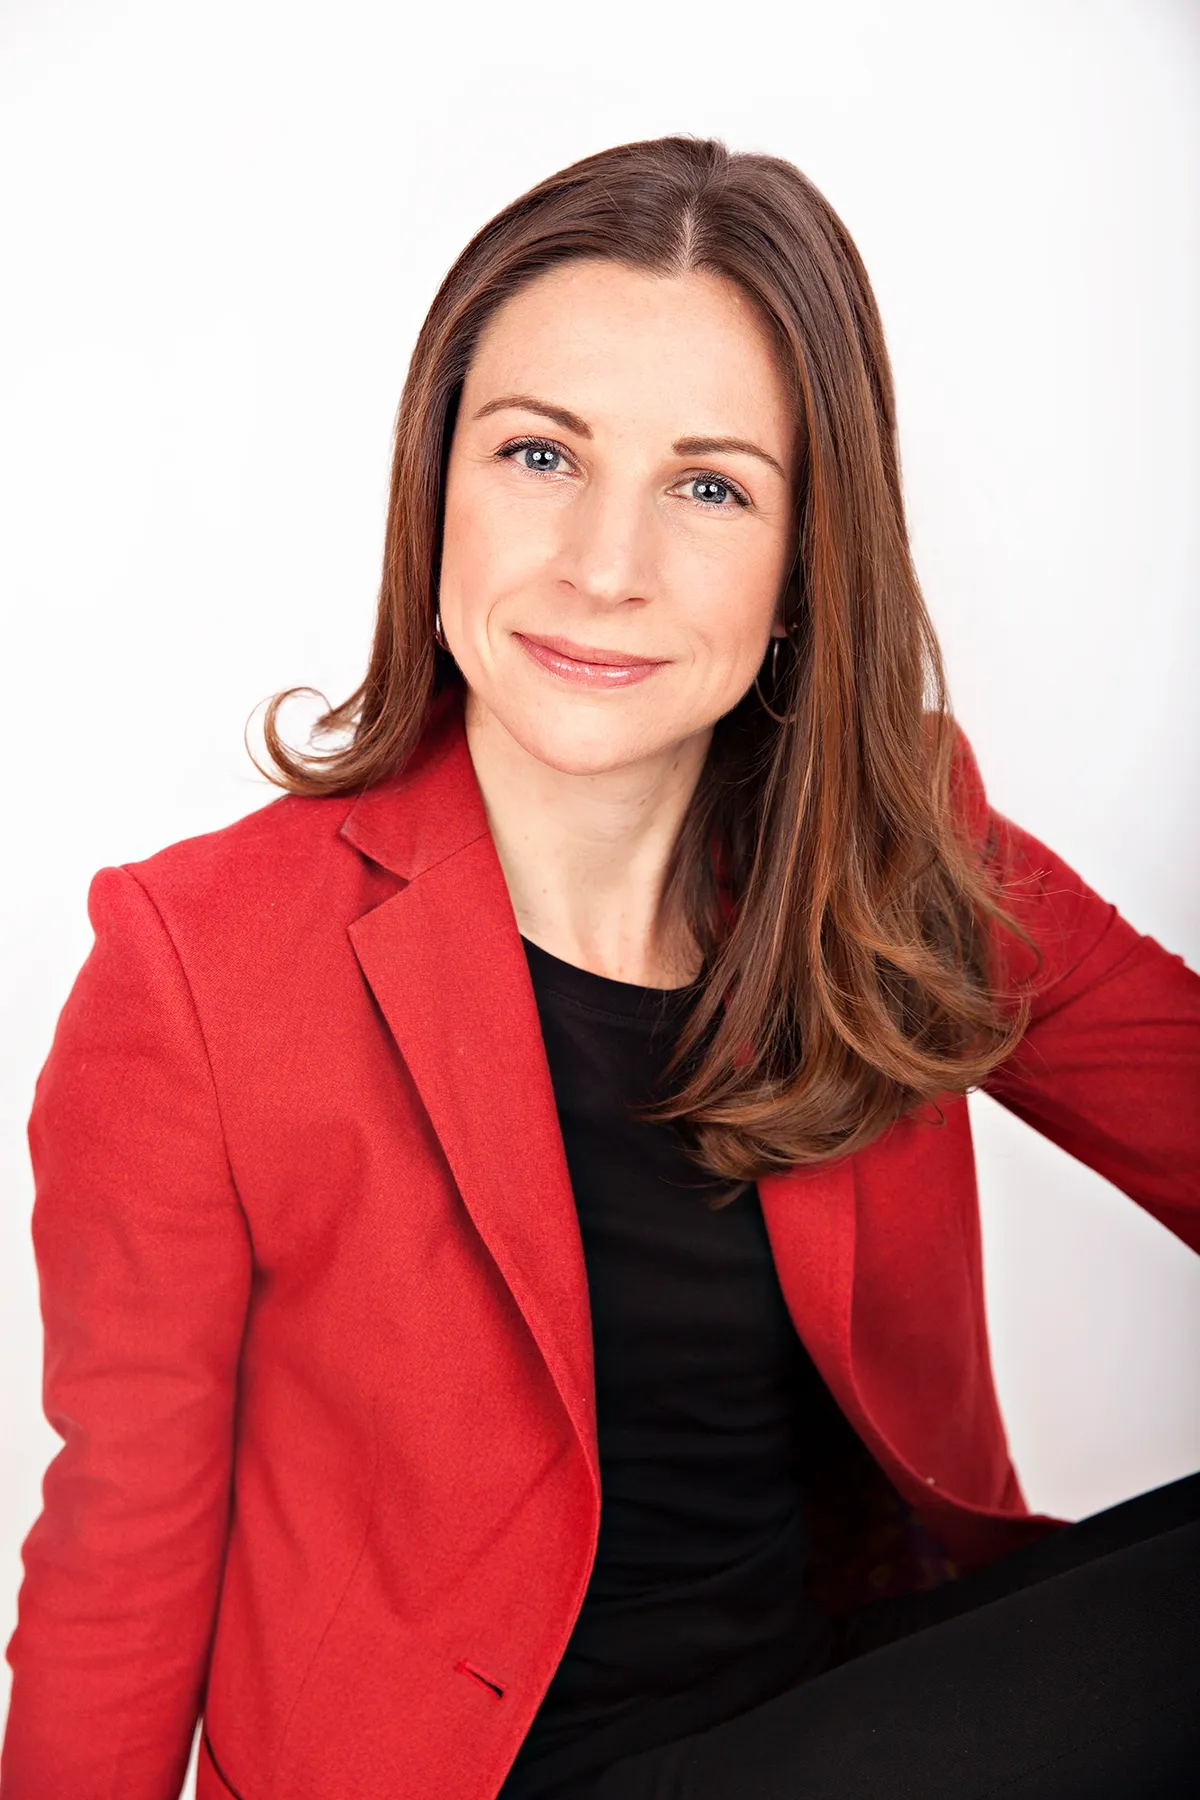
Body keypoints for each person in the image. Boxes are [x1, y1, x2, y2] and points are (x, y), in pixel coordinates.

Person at [3, 135, 1197, 1800]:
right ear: (437, 489)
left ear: (803, 568)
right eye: (539, 455)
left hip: (851, 1706)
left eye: (710, 486)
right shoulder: (199, 966)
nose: (605, 567)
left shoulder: (891, 844)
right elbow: (119, 1554)